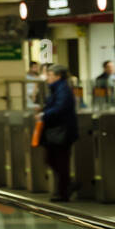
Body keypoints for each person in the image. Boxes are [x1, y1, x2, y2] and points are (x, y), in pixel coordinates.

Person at [40, 64, 79, 201]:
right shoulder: (56, 89)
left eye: (50, 75)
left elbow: (60, 108)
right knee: (53, 159)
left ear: (58, 76)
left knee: (61, 161)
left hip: (62, 131)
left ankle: (64, 191)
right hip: (57, 130)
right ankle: (67, 185)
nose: (47, 78)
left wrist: (43, 115)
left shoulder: (63, 90)